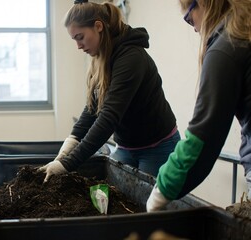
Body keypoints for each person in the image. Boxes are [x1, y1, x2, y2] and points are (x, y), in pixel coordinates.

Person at [39, 0, 180, 181]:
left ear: (98, 26)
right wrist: (71, 141)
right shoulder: (101, 57)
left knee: (149, 206)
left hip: (157, 147)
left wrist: (68, 163)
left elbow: (109, 116)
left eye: (80, 37)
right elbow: (93, 106)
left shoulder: (131, 57)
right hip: (127, 147)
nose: (78, 46)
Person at [147, 0, 251, 212]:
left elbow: (204, 136)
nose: (194, 28)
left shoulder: (227, 45)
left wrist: (162, 190)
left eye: (188, 18)